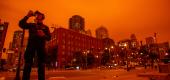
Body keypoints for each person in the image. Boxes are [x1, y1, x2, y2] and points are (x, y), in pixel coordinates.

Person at [19, 10, 51, 80]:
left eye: (40, 14)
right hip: (31, 47)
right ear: (35, 17)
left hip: (41, 48)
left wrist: (43, 35)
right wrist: (27, 16)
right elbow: (21, 24)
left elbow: (49, 38)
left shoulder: (45, 27)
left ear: (43, 17)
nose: (38, 15)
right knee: (28, 65)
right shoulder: (31, 25)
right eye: (37, 14)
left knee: (42, 65)